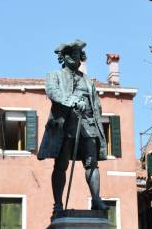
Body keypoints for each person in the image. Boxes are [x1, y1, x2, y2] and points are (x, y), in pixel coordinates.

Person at [38, 40, 108, 217]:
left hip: (88, 126)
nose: (76, 58)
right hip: (66, 126)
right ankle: (58, 204)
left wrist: (94, 116)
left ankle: (96, 199)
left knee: (92, 164)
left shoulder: (88, 82)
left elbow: (96, 105)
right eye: (72, 55)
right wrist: (72, 101)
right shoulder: (54, 76)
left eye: (78, 55)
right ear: (65, 57)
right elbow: (53, 92)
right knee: (61, 165)